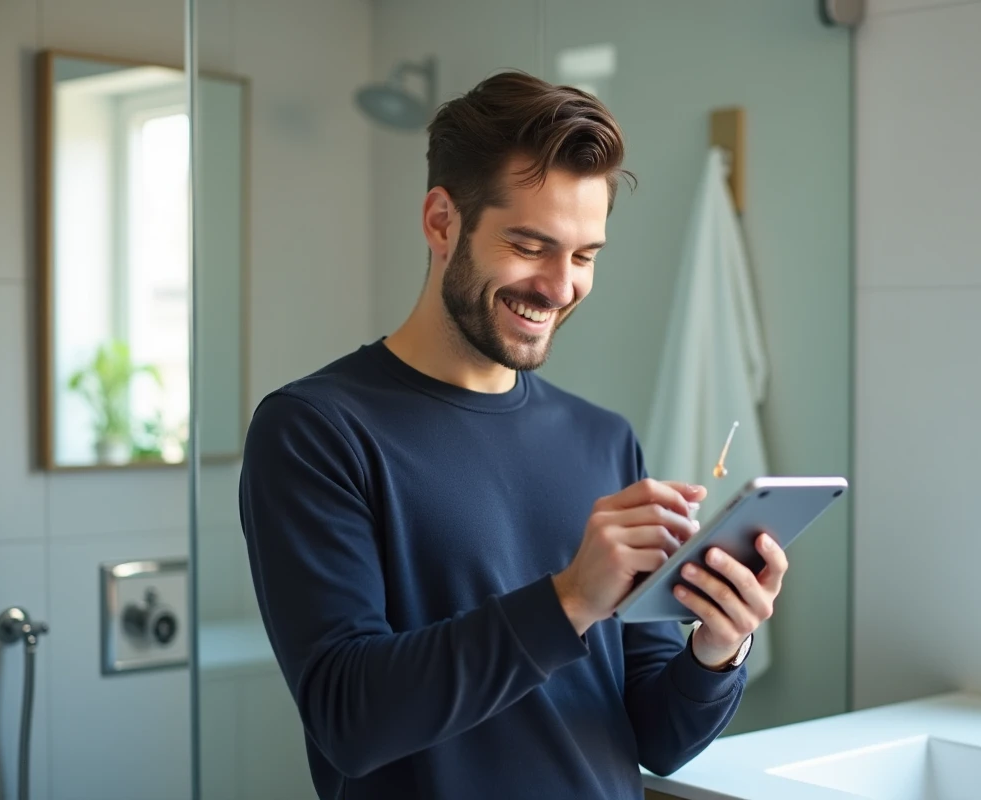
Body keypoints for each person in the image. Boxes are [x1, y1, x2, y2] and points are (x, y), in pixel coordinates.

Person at [238, 69, 789, 800]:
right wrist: (569, 600)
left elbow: (656, 736)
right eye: (531, 246)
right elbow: (350, 719)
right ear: (441, 221)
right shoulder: (316, 431)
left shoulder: (603, 440)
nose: (561, 287)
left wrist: (719, 650)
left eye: (585, 256)